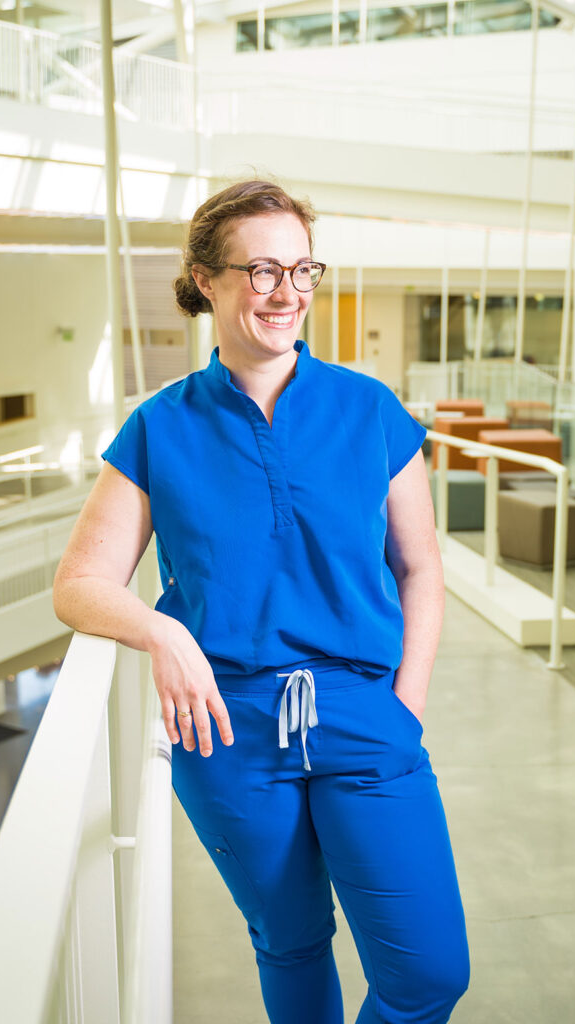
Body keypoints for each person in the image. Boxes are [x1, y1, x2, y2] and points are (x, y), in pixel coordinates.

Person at [52, 178, 470, 1024]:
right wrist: (164, 635)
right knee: (288, 942)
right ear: (205, 280)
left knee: (428, 975)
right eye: (261, 270)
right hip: (226, 726)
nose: (286, 294)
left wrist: (406, 705)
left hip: (363, 713)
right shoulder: (158, 427)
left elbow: (419, 569)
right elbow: (80, 585)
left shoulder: (370, 411)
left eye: (303, 270)